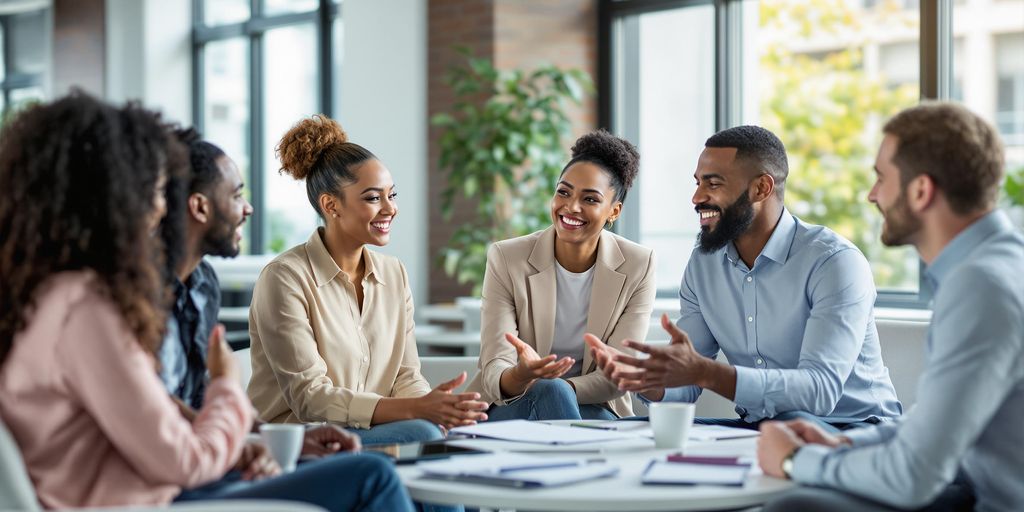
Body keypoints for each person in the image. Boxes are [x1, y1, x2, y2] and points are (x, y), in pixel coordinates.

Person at [0, 92, 413, 512]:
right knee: (373, 478)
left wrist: (254, 441)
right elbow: (184, 458)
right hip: (145, 500)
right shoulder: (85, 309)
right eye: (154, 190)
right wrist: (225, 387)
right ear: (115, 197)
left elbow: (148, 423)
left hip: (153, 486)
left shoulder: (44, 296)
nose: (161, 206)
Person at [757, 102, 1023, 511]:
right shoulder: (1000, 265)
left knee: (799, 505)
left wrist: (796, 460)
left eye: (882, 178)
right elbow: (935, 424)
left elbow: (913, 476)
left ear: (920, 190)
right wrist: (845, 442)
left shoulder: (980, 286)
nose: (872, 194)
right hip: (969, 482)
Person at [590, 125, 901, 432]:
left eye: (712, 184)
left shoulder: (834, 262)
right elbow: (685, 386)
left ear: (761, 189)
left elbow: (819, 391)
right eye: (698, 183)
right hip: (760, 428)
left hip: (854, 428)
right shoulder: (704, 263)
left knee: (783, 429)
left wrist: (706, 373)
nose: (697, 197)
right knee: (631, 431)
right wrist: (647, 379)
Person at [248, 115, 487, 444]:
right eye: (374, 198)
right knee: (422, 433)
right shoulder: (285, 279)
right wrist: (417, 411)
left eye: (392, 195)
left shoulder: (394, 274)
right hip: (303, 440)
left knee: (450, 437)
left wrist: (437, 409)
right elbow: (311, 399)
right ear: (331, 205)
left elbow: (406, 375)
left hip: (375, 431)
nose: (390, 209)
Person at [466, 129, 655, 421]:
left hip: (593, 407)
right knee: (552, 394)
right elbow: (494, 367)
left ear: (614, 211)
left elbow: (619, 373)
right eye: (563, 192)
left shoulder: (637, 265)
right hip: (514, 404)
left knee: (555, 393)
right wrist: (520, 375)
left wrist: (558, 386)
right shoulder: (507, 258)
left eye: (590, 199)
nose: (571, 207)